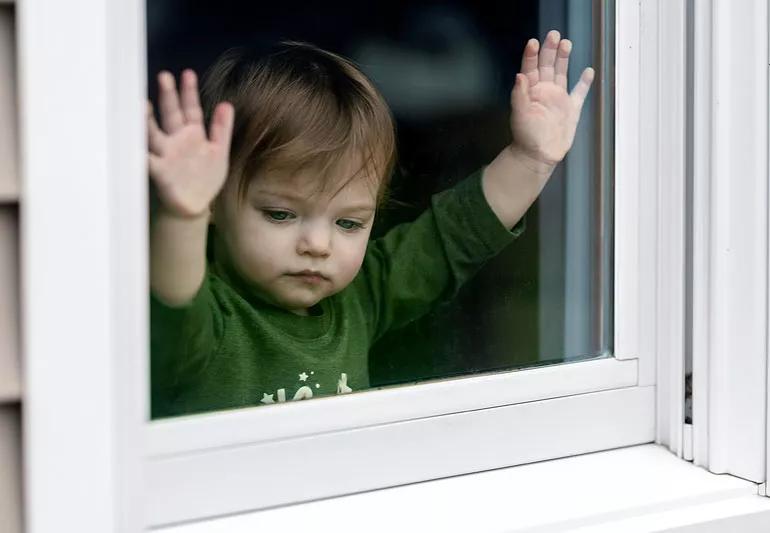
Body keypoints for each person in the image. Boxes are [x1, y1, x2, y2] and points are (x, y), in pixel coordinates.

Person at [148, 30, 594, 418]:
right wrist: (182, 212)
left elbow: (451, 237)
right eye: (281, 214)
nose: (318, 244)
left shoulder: (359, 299)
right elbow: (175, 298)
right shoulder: (207, 320)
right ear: (214, 201)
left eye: (348, 223)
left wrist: (530, 159)